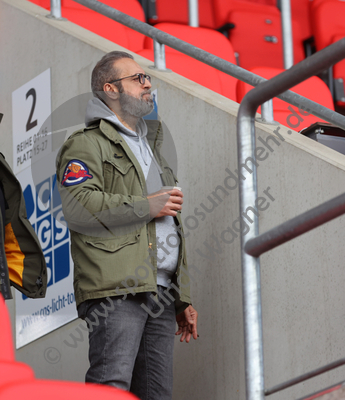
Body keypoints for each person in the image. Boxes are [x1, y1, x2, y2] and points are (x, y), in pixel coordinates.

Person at [56, 51, 198, 400]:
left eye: (147, 77)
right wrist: (144, 206)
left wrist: (183, 298)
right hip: (116, 291)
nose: (148, 83)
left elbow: (170, 226)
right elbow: (78, 206)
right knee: (112, 388)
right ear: (111, 89)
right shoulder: (85, 144)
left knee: (157, 394)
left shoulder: (152, 147)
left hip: (161, 292)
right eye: (138, 78)